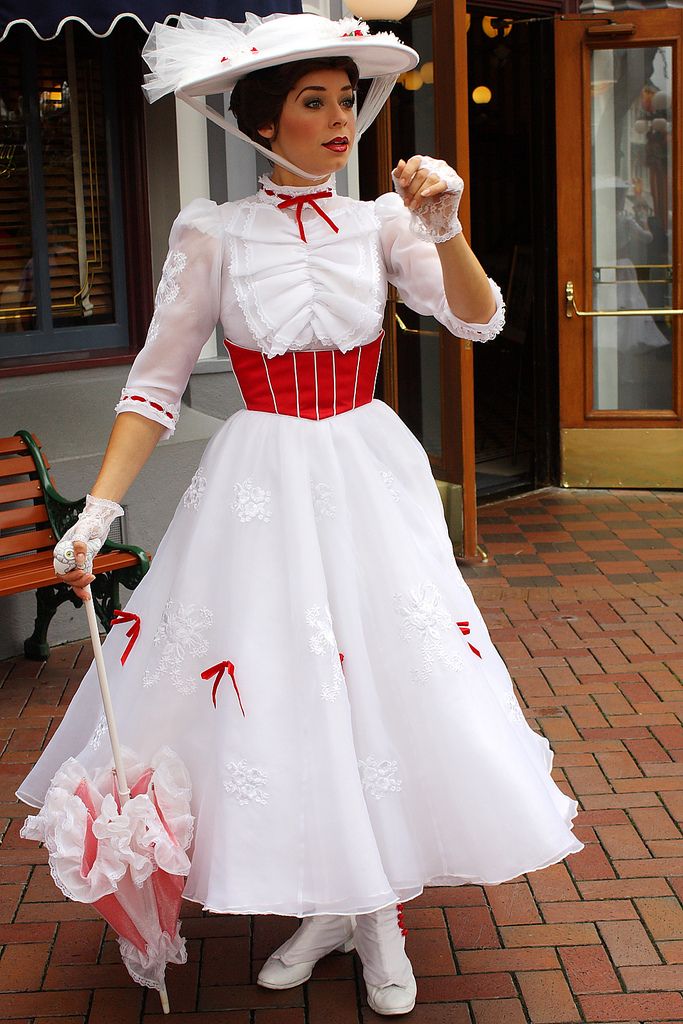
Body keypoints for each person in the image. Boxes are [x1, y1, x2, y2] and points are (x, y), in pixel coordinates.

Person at [16, 12, 584, 1016]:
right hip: (260, 487)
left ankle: (375, 918)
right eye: (310, 102)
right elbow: (150, 385)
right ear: (262, 125)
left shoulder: (382, 224)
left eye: (342, 99)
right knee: (282, 692)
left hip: (364, 477)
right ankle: (333, 901)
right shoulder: (212, 235)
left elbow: (476, 316)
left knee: (379, 684)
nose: (336, 119)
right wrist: (100, 505)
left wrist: (446, 226)